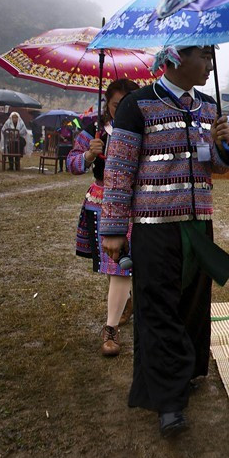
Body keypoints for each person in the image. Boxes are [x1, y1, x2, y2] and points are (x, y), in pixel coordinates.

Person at [100, 45, 229, 438]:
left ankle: (188, 372)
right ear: (176, 60)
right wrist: (111, 227)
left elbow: (222, 168)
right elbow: (120, 169)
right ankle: (168, 402)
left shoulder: (209, 108)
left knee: (193, 302)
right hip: (153, 227)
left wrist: (223, 143)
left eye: (211, 56)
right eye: (204, 56)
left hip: (199, 227)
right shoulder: (138, 105)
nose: (209, 64)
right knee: (157, 309)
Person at [67, 79, 139, 356]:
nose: (121, 111)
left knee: (121, 266)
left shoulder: (141, 127)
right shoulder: (94, 131)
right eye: (116, 105)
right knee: (114, 267)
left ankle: (110, 328)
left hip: (132, 205)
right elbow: (72, 164)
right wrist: (87, 155)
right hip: (100, 202)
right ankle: (126, 301)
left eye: (127, 105)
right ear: (107, 105)